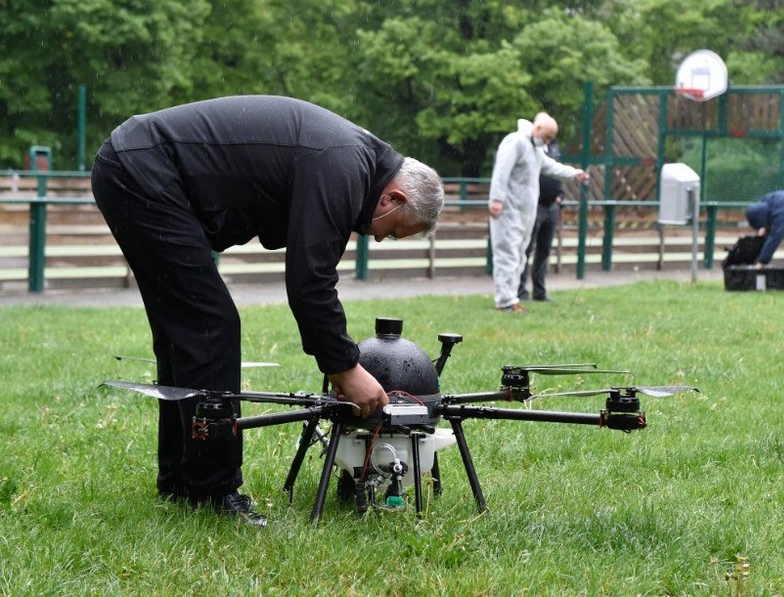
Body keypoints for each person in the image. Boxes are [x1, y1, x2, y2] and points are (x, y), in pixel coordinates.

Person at [90, 95, 445, 525]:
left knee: (185, 328)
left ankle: (183, 480)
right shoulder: (344, 167)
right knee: (210, 325)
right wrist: (346, 368)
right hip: (144, 170)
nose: (380, 239)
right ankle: (212, 490)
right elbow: (310, 281)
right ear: (392, 198)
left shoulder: (350, 162)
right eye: (392, 232)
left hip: (135, 161)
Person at [488, 113, 586, 312]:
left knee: (519, 256)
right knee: (508, 255)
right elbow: (501, 172)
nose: (548, 141)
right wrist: (497, 200)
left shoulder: (536, 149)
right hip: (508, 210)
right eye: (547, 136)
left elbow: (551, 167)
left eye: (551, 138)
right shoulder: (515, 142)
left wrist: (574, 174)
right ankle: (505, 301)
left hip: (525, 212)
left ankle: (511, 298)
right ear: (538, 128)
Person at [517, 139, 564, 303]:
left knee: (544, 250)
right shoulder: (531, 147)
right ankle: (520, 291)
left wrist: (560, 194)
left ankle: (539, 291)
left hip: (552, 206)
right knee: (526, 249)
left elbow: (557, 172)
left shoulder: (555, 148)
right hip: (534, 206)